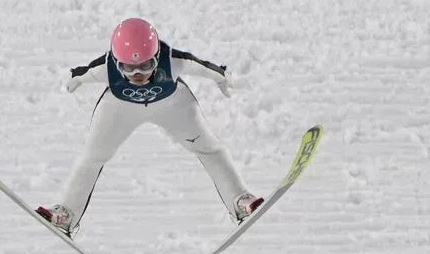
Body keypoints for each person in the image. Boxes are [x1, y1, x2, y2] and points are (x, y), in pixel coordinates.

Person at [37, 18, 263, 236]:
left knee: (210, 149)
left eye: (146, 65)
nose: (138, 75)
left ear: (157, 57)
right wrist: (71, 80)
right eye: (128, 67)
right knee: (92, 156)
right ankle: (67, 215)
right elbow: (82, 73)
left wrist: (224, 78)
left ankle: (239, 201)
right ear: (116, 61)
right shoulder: (105, 68)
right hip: (120, 109)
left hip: (172, 105)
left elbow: (205, 68)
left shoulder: (173, 60)